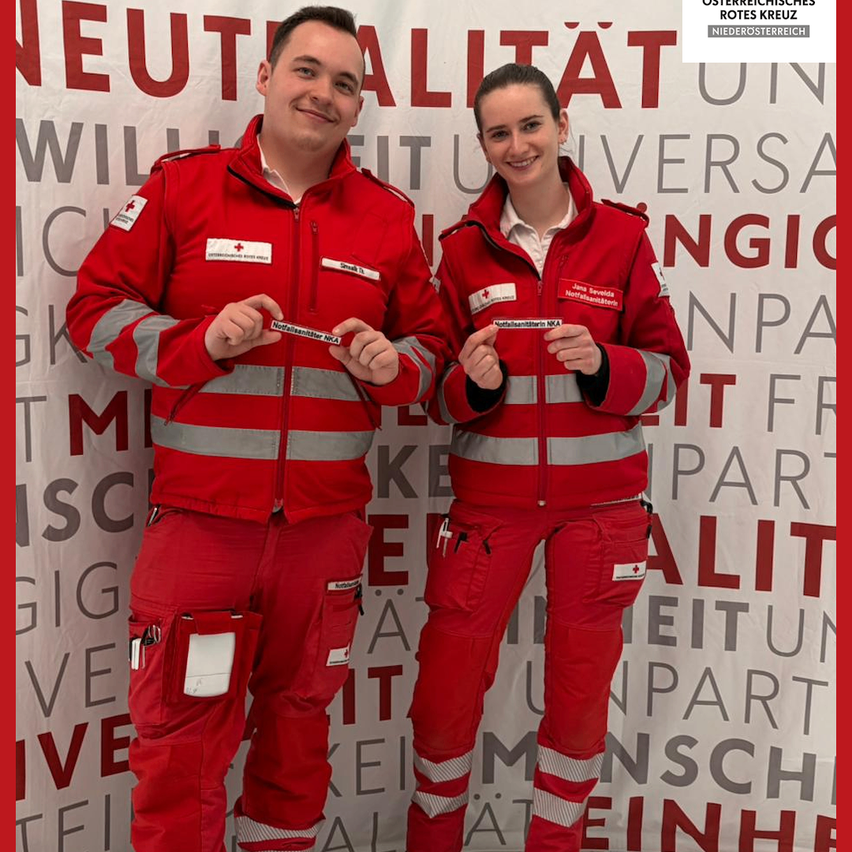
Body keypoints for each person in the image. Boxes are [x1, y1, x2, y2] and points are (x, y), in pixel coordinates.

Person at [66, 7, 445, 851]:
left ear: (359, 105)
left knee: (298, 746)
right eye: (307, 71)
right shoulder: (182, 186)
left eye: (345, 82)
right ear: (266, 78)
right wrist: (199, 342)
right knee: (178, 751)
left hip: (324, 535)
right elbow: (91, 313)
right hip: (202, 529)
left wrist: (396, 367)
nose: (324, 93)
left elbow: (435, 355)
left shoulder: (386, 218)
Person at [407, 63, 690, 852]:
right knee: (444, 701)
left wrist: (602, 364)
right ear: (483, 145)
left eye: (530, 125)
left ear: (562, 128)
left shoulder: (624, 237)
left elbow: (669, 373)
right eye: (499, 132)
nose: (517, 144)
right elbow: (436, 394)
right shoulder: (463, 250)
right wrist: (476, 384)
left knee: (575, 705)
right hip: (488, 514)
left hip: (600, 517)